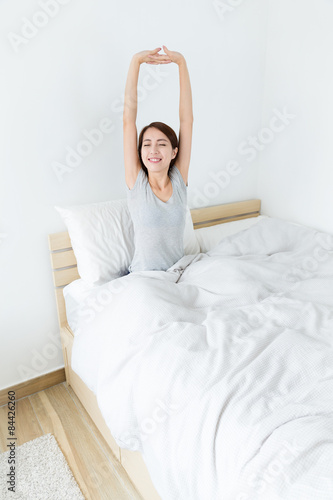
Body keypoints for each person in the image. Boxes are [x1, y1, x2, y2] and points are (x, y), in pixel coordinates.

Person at [123, 46, 194, 272]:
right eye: (147, 144)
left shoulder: (178, 179)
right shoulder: (137, 182)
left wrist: (181, 64)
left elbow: (187, 121)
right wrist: (136, 63)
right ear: (140, 152)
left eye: (162, 144)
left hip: (178, 275)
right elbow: (128, 122)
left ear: (174, 152)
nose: (153, 150)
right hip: (145, 279)